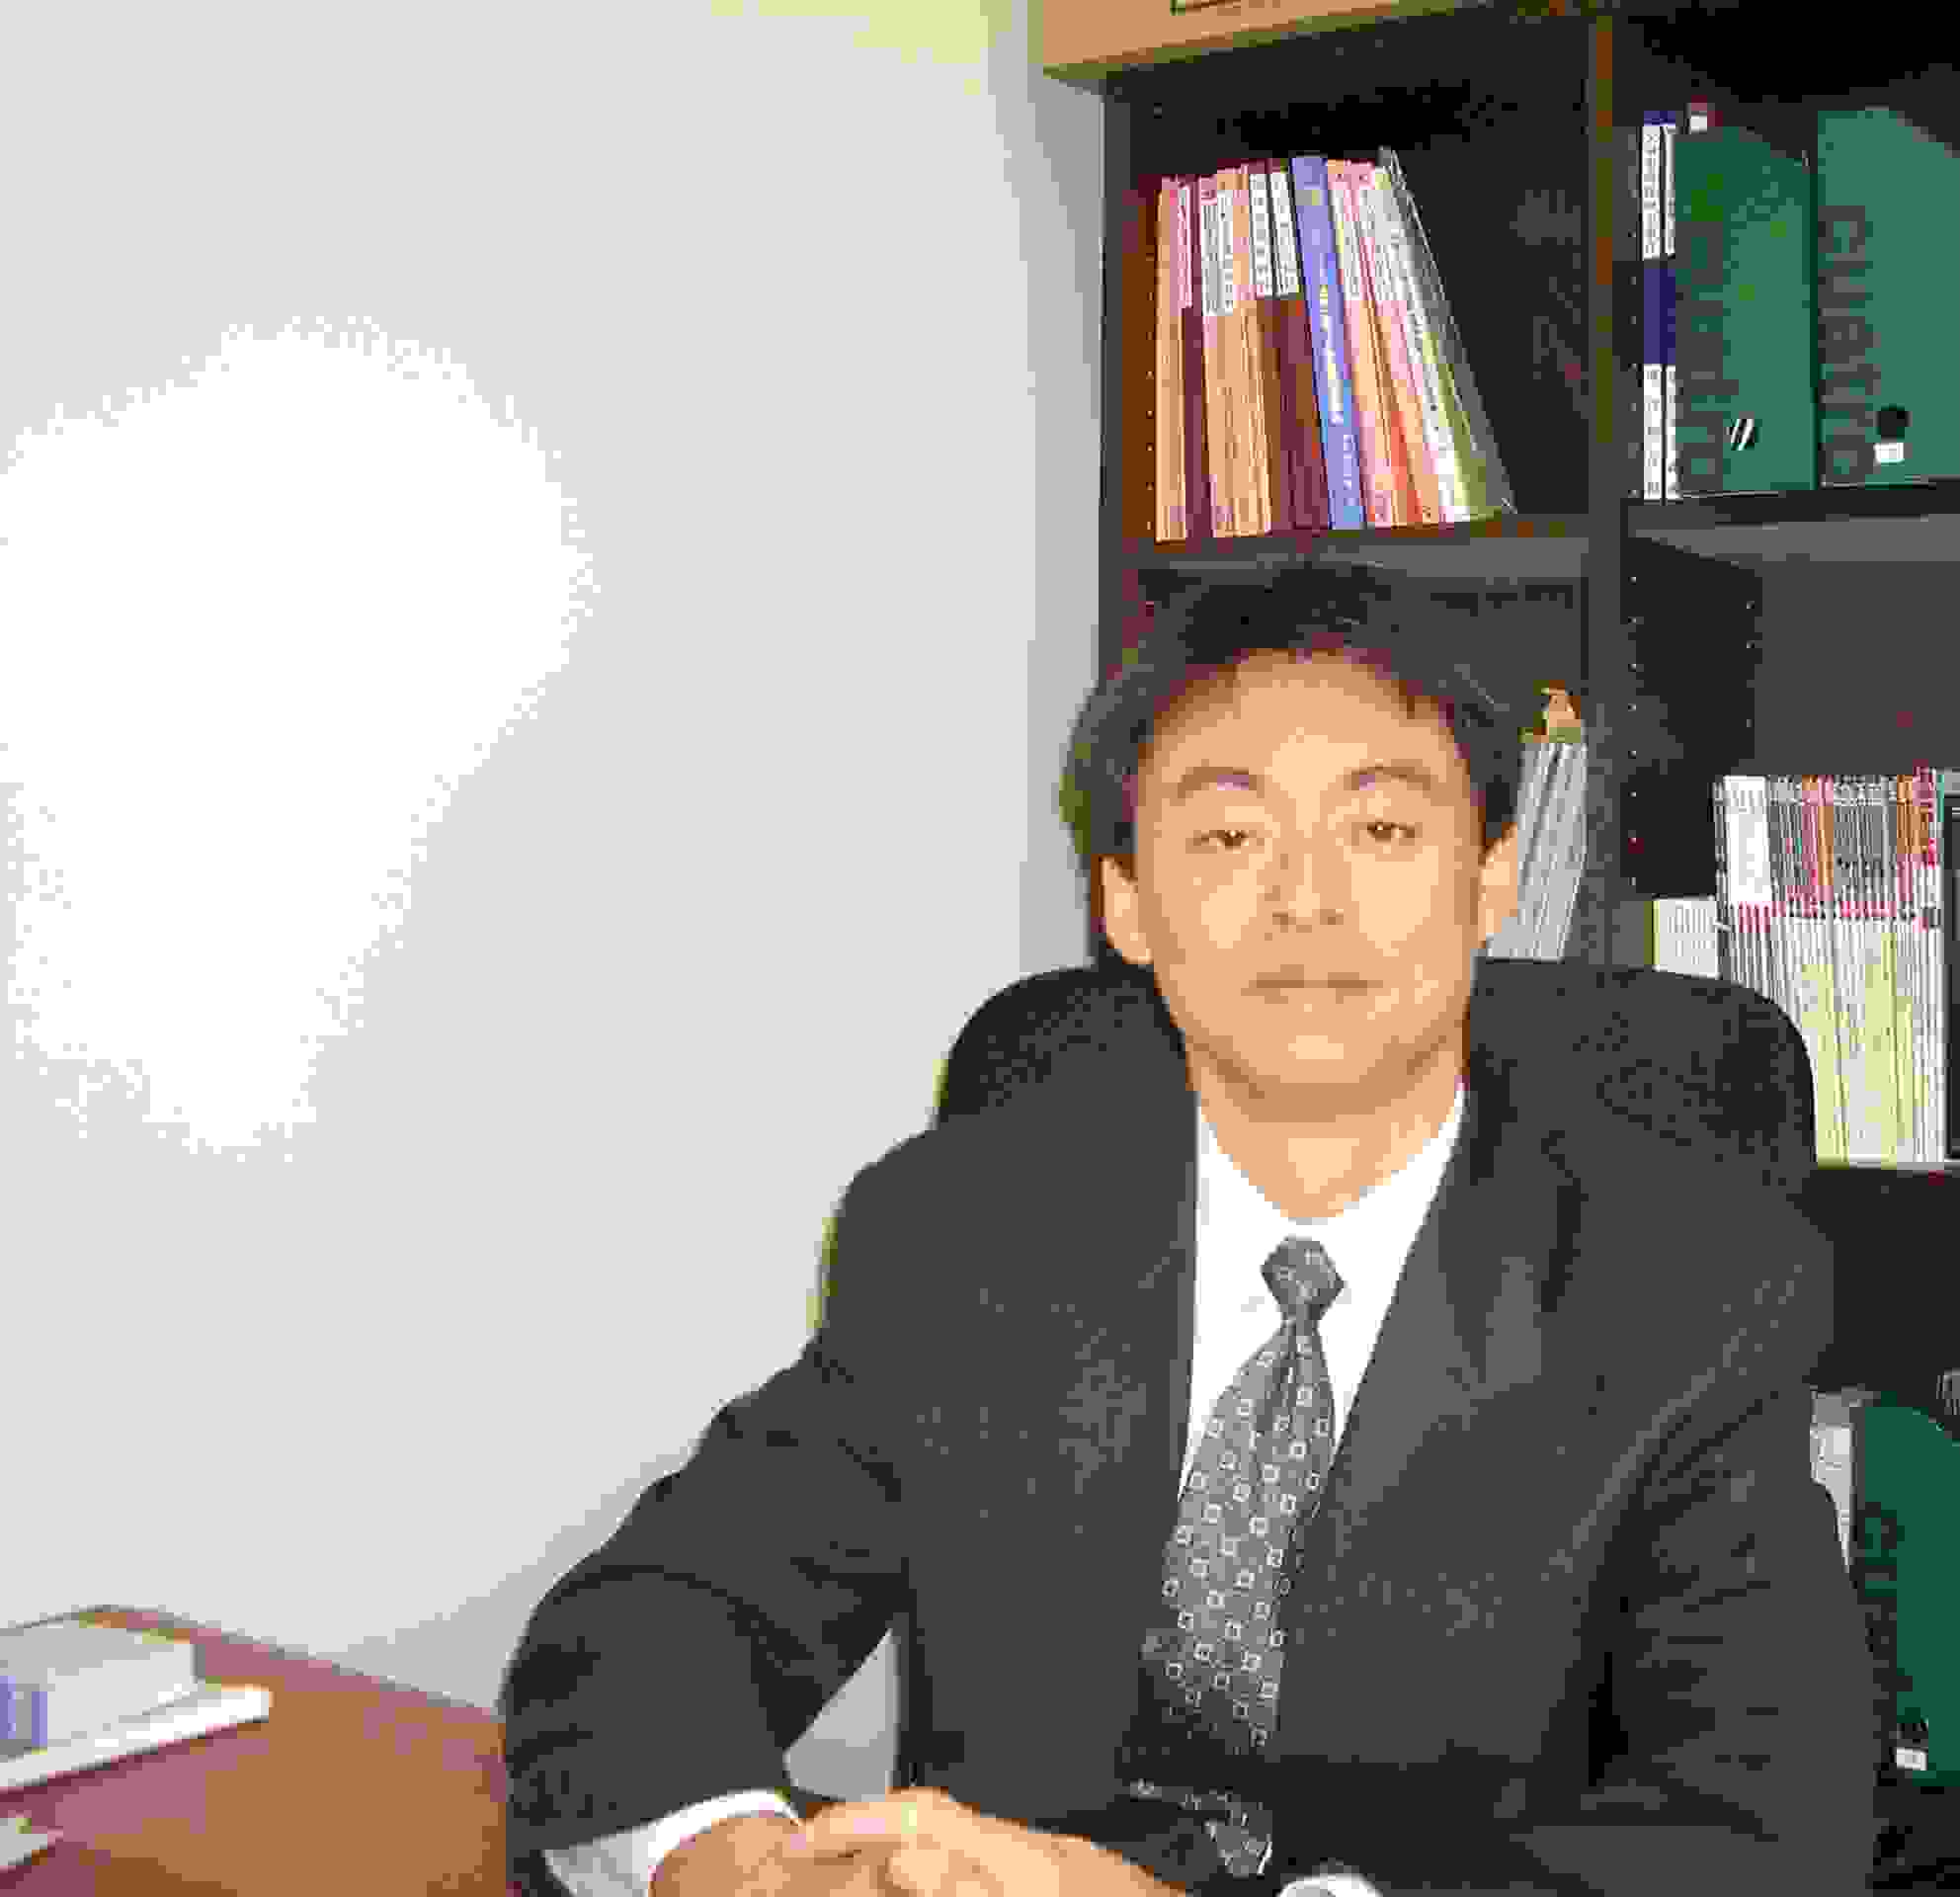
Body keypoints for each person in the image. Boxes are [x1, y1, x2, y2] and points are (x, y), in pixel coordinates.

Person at [501, 563, 1873, 1897]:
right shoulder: (959, 1234)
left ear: (1495, 878)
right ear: (1126, 903)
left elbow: (1759, 1834)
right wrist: (741, 1868)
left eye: (1382, 832)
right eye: (1228, 837)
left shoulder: (1697, 1290)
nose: (1306, 900)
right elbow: (653, 1624)